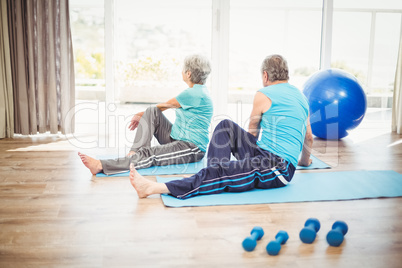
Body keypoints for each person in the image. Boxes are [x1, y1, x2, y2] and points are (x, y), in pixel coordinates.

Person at [130, 54, 314, 199]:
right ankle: (212, 174)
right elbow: (308, 138)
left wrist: (249, 157)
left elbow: (252, 131)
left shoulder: (264, 93)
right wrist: (304, 162)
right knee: (225, 126)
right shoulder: (303, 99)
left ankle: (155, 188)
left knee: (224, 169)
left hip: (275, 167)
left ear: (265, 75)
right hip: (271, 158)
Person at [79, 54, 213, 175]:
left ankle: (101, 165)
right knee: (152, 111)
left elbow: (164, 106)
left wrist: (139, 115)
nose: (181, 71)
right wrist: (144, 115)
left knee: (150, 154)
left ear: (188, 73)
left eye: (183, 69)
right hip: (175, 137)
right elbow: (157, 109)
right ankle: (136, 152)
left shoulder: (193, 93)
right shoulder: (198, 91)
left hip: (191, 148)